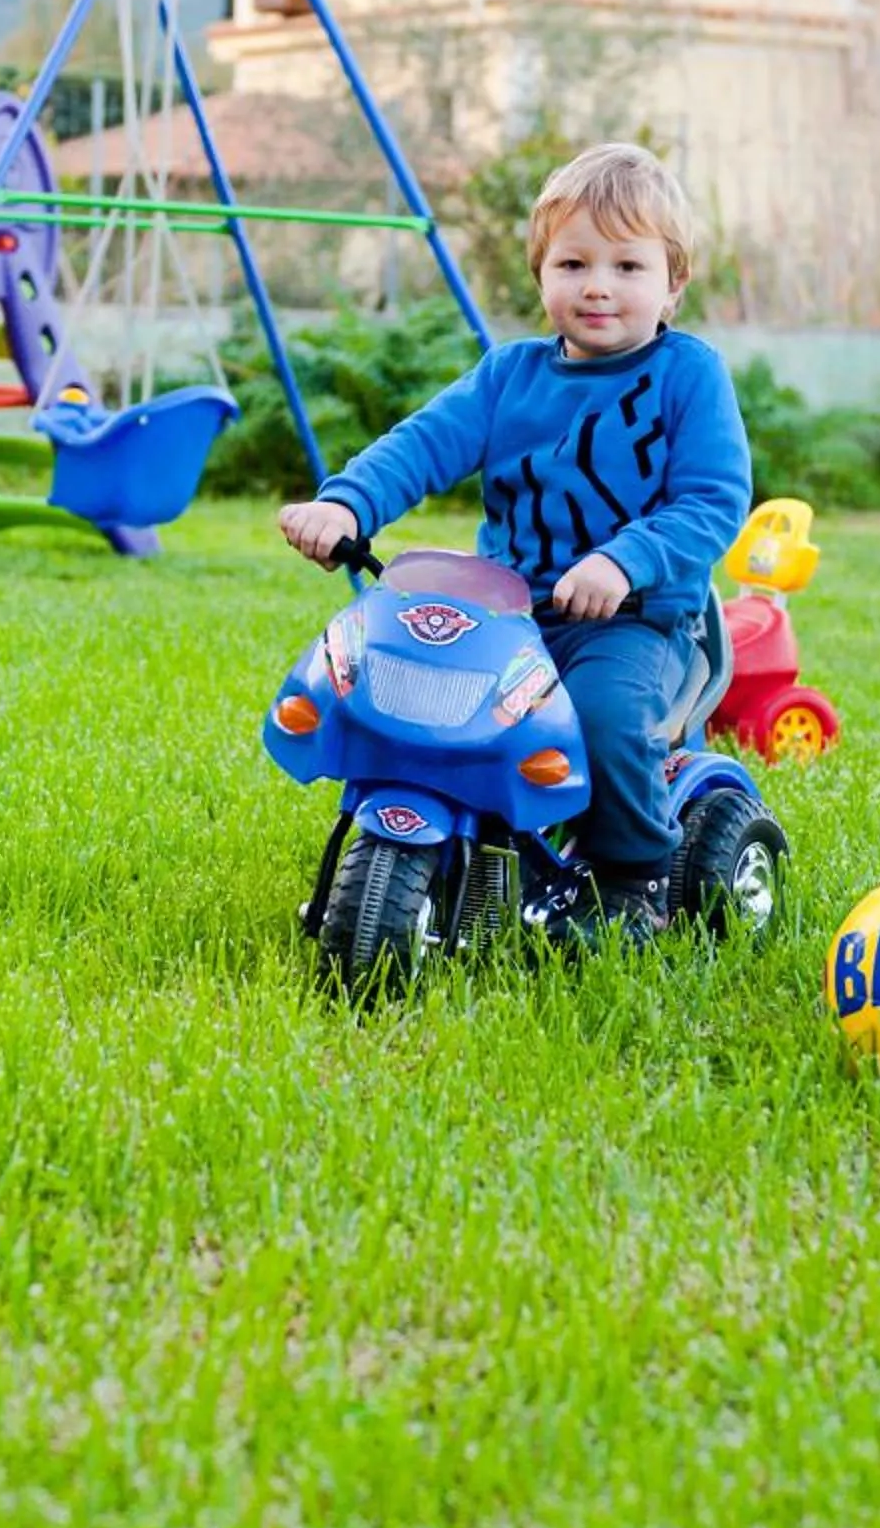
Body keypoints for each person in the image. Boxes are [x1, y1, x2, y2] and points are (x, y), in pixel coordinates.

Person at [278, 143, 751, 937]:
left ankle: (631, 878)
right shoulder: (509, 377)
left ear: (674, 284)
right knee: (411, 693)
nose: (598, 285)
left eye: (627, 268)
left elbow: (713, 502)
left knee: (602, 717)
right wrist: (349, 505)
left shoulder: (688, 376)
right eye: (573, 263)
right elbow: (422, 444)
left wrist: (622, 560)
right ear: (541, 275)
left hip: (636, 623)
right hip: (507, 615)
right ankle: (447, 841)